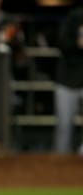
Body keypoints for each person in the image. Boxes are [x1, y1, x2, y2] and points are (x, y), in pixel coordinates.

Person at [54, 3, 83, 154]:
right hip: (67, 80)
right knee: (64, 126)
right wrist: (78, 43)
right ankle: (60, 162)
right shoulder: (74, 17)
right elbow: (62, 42)